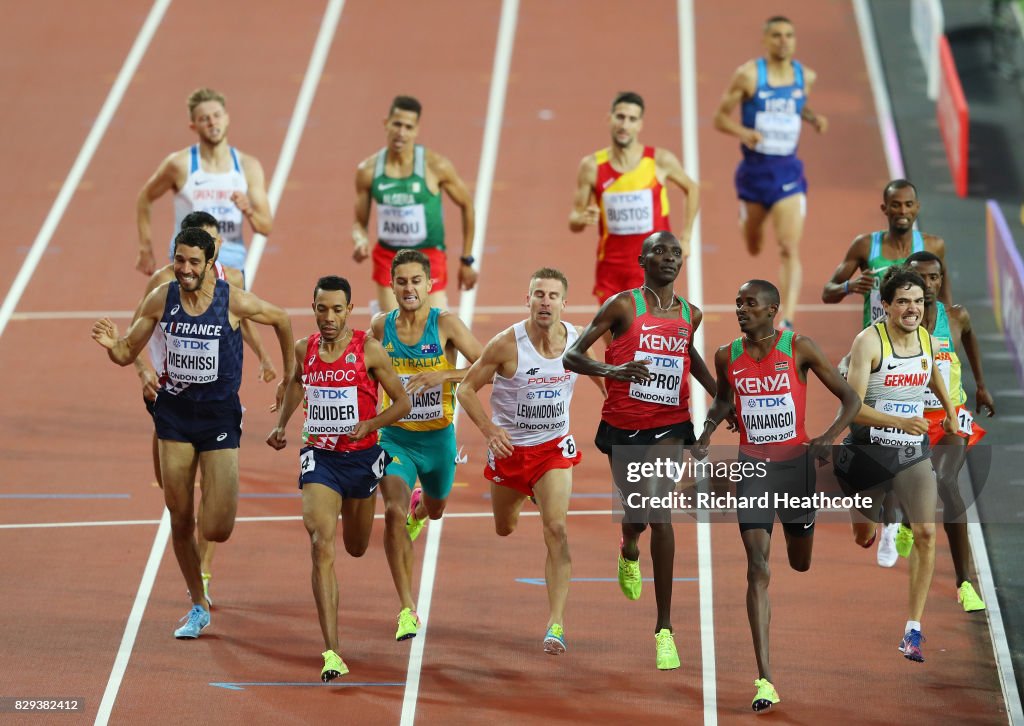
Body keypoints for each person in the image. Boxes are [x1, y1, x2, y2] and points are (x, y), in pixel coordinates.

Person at [92, 227, 293, 639]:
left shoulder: (230, 298)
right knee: (180, 517)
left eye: (193, 262)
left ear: (208, 263)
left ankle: (209, 522)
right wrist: (114, 346)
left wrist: (291, 376)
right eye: (179, 260)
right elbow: (127, 352)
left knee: (217, 526)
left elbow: (282, 318)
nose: (184, 269)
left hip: (219, 417)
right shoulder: (160, 298)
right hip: (175, 416)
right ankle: (197, 604)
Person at [693, 280, 860, 712]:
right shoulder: (726, 355)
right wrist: (707, 432)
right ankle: (765, 677)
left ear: (772, 310)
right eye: (737, 302)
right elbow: (724, 401)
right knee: (758, 566)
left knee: (799, 562)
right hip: (753, 469)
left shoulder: (799, 347)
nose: (741, 309)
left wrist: (827, 437)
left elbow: (850, 398)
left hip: (796, 469)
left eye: (750, 304)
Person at [564, 231, 717, 670]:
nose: (669, 258)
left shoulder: (692, 313)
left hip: (669, 424)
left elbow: (690, 357)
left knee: (660, 513)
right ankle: (628, 546)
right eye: (660, 252)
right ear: (642, 259)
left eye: (676, 253)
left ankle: (664, 628)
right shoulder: (623, 306)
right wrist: (614, 368)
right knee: (638, 518)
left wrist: (726, 399)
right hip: (623, 425)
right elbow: (573, 356)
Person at [266, 275, 410, 681]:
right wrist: (282, 425)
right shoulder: (304, 348)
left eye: (336, 309)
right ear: (313, 309)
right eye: (321, 309)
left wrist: (371, 424)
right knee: (319, 543)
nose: (328, 317)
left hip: (362, 461)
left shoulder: (368, 350)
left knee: (357, 547)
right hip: (321, 459)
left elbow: (401, 403)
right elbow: (297, 384)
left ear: (349, 310)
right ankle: (332, 651)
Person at [132, 211, 277, 605]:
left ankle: (204, 571)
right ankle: (197, 587)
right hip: (168, 395)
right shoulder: (162, 284)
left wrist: (264, 356)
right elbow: (135, 334)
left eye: (210, 248)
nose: (195, 262)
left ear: (213, 255)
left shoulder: (232, 283)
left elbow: (246, 320)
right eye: (189, 253)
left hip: (215, 406)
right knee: (173, 494)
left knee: (214, 509)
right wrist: (143, 371)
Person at [458, 268, 591, 655]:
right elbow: (467, 388)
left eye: (553, 295)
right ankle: (528, 493)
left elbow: (604, 378)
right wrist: (488, 430)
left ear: (565, 303)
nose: (545, 301)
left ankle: (556, 624)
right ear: (527, 300)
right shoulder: (506, 344)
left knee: (557, 529)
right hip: (510, 453)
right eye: (539, 294)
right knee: (505, 527)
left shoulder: (579, 341)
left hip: (553, 450)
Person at [833, 265, 958, 663]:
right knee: (861, 536)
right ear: (884, 305)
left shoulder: (923, 336)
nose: (913, 309)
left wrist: (951, 409)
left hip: (910, 452)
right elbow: (853, 410)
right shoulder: (868, 343)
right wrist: (901, 420)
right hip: (868, 452)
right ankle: (883, 520)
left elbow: (934, 374)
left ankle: (913, 631)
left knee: (926, 532)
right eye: (903, 301)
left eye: (918, 301)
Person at [821, 178, 949, 566]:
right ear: (885, 209)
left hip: (912, 350)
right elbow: (828, 291)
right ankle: (858, 474)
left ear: (917, 206)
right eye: (896, 205)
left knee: (903, 434)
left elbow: (943, 297)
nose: (903, 212)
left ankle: (895, 516)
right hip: (871, 350)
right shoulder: (866, 246)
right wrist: (848, 285)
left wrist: (940, 341)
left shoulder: (934, 246)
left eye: (909, 204)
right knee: (864, 423)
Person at [370, 249, 482, 641]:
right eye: (401, 281)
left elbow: (487, 366)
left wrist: (444, 375)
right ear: (392, 285)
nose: (409, 288)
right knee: (391, 512)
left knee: (434, 510)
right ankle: (406, 608)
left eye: (416, 281)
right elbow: (363, 370)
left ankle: (422, 507)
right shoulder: (380, 326)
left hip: (438, 441)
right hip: (395, 438)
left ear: (430, 285)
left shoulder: (446, 324)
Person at [712, 16, 827, 330]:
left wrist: (812, 118)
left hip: (788, 171)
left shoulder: (806, 76)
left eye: (789, 35)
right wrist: (743, 132)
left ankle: (787, 318)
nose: (783, 41)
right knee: (753, 244)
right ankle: (747, 222)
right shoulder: (749, 76)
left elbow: (796, 104)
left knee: (789, 246)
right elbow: (719, 119)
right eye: (776, 35)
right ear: (765, 40)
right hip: (753, 173)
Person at [905, 250, 994, 612]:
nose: (928, 284)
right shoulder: (895, 324)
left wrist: (981, 385)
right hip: (908, 420)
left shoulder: (955, 317)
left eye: (935, 277)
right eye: (921, 277)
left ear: (941, 280)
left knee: (946, 481)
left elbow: (970, 337)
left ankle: (964, 582)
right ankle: (904, 519)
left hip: (949, 418)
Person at [569, 91, 700, 304]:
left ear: (640, 125)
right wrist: (583, 218)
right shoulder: (592, 166)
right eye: (620, 117)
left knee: (644, 334)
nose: (624, 125)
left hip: (651, 267)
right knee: (614, 337)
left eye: (632, 119)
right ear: (609, 119)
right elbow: (574, 219)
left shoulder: (659, 160)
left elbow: (692, 188)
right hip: (610, 267)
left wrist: (685, 238)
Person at [352, 95, 477, 312]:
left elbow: (467, 205)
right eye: (397, 124)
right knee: (396, 331)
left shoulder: (436, 166)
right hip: (388, 257)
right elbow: (359, 222)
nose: (401, 132)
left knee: (435, 333)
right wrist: (360, 239)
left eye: (408, 127)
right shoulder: (368, 171)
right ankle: (383, 320)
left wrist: (467, 261)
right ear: (386, 123)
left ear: (416, 130)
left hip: (428, 255)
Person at [136, 88, 272, 275]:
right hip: (189, 263)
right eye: (204, 119)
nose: (212, 122)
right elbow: (145, 198)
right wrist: (145, 249)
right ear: (194, 126)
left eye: (217, 116)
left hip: (231, 262)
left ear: (226, 118)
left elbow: (265, 227)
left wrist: (248, 210)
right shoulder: (180, 164)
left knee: (239, 304)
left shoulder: (248, 166)